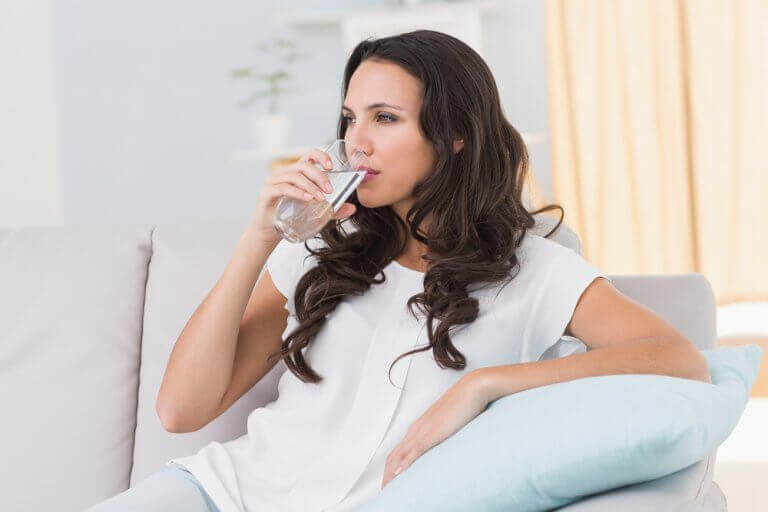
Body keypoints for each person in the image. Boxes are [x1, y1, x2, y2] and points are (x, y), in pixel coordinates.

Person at [85, 29, 607, 511]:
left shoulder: (532, 263)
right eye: (350, 117)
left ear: (454, 135)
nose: (357, 140)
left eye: (384, 117)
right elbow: (180, 411)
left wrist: (486, 385)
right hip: (223, 495)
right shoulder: (321, 247)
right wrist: (259, 239)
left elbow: (675, 357)